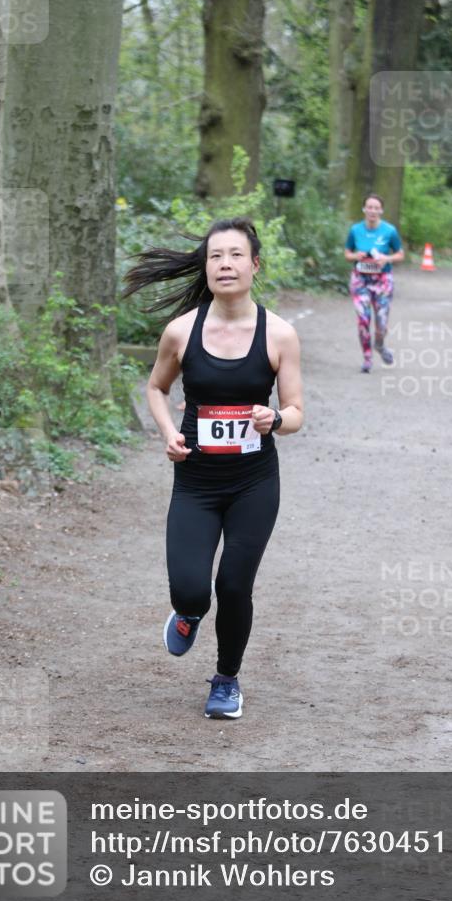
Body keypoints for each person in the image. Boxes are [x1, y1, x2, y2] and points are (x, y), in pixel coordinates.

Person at [123, 217, 303, 719]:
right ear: (206, 268)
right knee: (190, 589)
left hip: (254, 483)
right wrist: (168, 432)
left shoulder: (279, 334)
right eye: (216, 256)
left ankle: (226, 680)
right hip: (196, 484)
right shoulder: (182, 331)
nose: (225, 264)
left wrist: (275, 419)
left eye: (236, 255)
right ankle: (188, 613)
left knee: (234, 586)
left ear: (254, 265)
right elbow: (156, 388)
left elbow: (296, 413)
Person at [344, 194, 404, 373]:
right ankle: (367, 358)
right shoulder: (355, 230)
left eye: (376, 208)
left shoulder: (389, 231)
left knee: (381, 324)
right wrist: (356, 256)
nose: (372, 211)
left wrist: (387, 258)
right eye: (369, 207)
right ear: (364, 209)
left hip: (382, 281)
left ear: (381, 210)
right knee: (363, 319)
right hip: (360, 280)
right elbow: (347, 253)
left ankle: (379, 345)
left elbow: (400, 254)